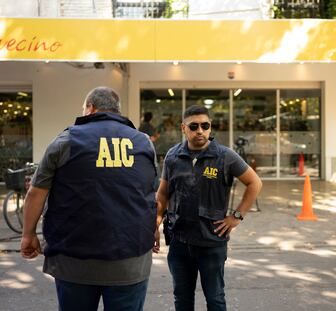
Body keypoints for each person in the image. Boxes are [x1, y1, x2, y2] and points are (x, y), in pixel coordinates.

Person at [20, 87, 157, 311]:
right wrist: (153, 227)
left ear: (90, 108)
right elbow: (149, 191)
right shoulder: (144, 143)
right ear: (117, 111)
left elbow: (36, 192)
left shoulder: (65, 140)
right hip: (130, 260)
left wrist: (28, 235)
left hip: (74, 261)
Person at [154, 105, 262, 311]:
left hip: (211, 242)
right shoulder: (172, 156)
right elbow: (163, 193)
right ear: (183, 128)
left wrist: (237, 216)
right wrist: (156, 222)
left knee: (215, 299)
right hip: (179, 241)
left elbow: (255, 183)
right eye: (194, 126)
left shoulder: (225, 156)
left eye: (205, 126)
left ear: (210, 128)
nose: (200, 131)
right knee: (182, 299)